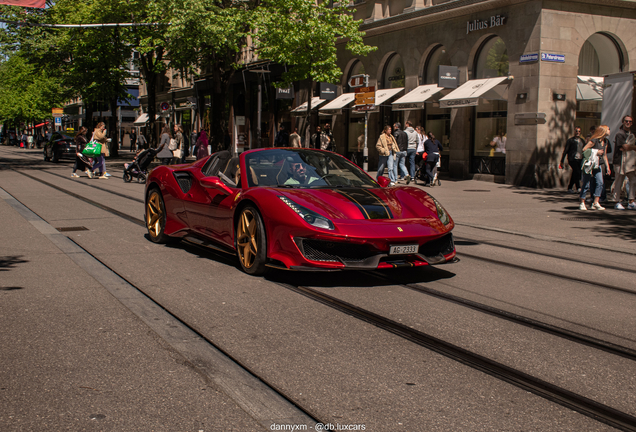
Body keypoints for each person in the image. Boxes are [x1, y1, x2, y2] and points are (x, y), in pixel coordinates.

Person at [579, 125, 611, 210]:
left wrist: (607, 167)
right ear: (603, 131)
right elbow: (584, 149)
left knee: (600, 183)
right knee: (586, 183)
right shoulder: (594, 141)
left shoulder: (606, 141)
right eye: (608, 129)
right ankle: (582, 202)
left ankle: (596, 202)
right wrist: (596, 152)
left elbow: (604, 155)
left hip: (598, 165)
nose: (609, 130)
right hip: (590, 164)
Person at [610, 115, 633, 207]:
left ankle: (631, 201)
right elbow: (624, 147)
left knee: (633, 180)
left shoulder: (630, 133)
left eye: (630, 121)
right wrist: (632, 147)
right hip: (619, 161)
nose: (628, 123)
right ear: (623, 122)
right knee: (619, 181)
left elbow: (627, 148)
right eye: (626, 121)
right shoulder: (620, 134)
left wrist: (629, 148)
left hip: (628, 161)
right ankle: (616, 201)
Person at [559, 127, 585, 193]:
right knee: (576, 171)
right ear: (574, 132)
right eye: (576, 131)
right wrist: (562, 160)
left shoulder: (582, 141)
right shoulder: (571, 140)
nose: (578, 132)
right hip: (573, 158)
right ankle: (578, 187)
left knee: (575, 173)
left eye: (579, 131)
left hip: (580, 159)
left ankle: (570, 187)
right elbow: (566, 150)